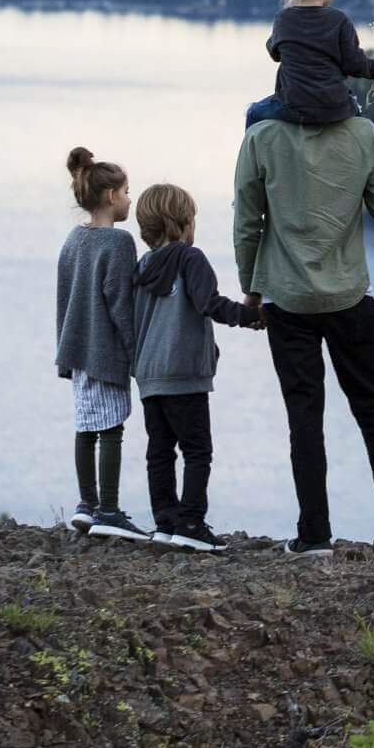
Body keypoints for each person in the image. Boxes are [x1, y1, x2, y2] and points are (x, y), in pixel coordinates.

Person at [233, 102, 374, 557]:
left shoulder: (260, 135)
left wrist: (251, 289)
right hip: (348, 295)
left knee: (304, 417)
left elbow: (247, 222)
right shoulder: (362, 132)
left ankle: (313, 534)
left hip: (285, 298)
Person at [130, 182, 264, 551]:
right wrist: (251, 316)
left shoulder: (142, 266)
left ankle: (165, 521)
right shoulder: (191, 259)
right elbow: (210, 303)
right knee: (196, 450)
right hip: (184, 374)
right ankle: (190, 522)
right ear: (184, 222)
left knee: (159, 451)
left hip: (149, 374)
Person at [56, 145, 145, 542]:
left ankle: (86, 506)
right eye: (127, 192)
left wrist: (64, 354)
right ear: (111, 197)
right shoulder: (119, 244)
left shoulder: (72, 241)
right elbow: (121, 305)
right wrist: (136, 351)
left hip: (76, 352)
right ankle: (109, 509)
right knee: (111, 428)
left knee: (85, 427)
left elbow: (63, 299)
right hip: (105, 351)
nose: (130, 199)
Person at [245, 0, 374, 127]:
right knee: (358, 117)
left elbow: (274, 52)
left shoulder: (283, 19)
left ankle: (251, 156)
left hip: (293, 107)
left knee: (253, 113)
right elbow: (354, 63)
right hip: (335, 108)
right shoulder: (340, 21)